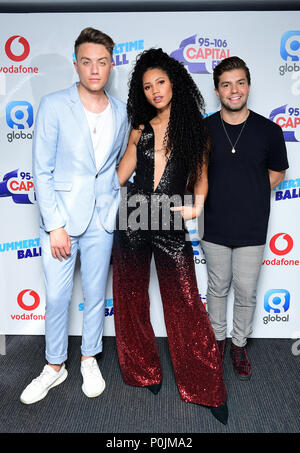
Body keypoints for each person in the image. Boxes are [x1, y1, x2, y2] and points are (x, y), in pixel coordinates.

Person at [113, 48, 228, 425]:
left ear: (174, 83)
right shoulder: (140, 127)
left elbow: (202, 175)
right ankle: (142, 371)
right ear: (140, 92)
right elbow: (123, 171)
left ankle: (204, 385)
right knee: (129, 295)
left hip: (169, 216)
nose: (155, 91)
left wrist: (196, 206)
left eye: (160, 82)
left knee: (183, 299)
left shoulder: (196, 128)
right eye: (147, 86)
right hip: (132, 213)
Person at [20, 27, 129, 404]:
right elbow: (42, 170)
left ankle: (88, 357)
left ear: (111, 65)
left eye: (102, 62)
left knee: (96, 294)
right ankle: (54, 366)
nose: (94, 69)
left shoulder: (121, 111)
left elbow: (114, 166)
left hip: (102, 219)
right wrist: (55, 226)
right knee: (57, 297)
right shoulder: (53, 104)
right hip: (61, 222)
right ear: (76, 64)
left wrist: (113, 204)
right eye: (87, 62)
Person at [201, 56, 289, 380]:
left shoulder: (270, 130)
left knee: (247, 290)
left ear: (248, 86)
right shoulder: (204, 128)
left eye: (239, 83)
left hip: (252, 226)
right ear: (217, 90)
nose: (234, 90)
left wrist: (249, 189)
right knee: (217, 287)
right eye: (226, 84)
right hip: (212, 225)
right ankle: (218, 343)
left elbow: (278, 172)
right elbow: (195, 175)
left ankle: (238, 345)